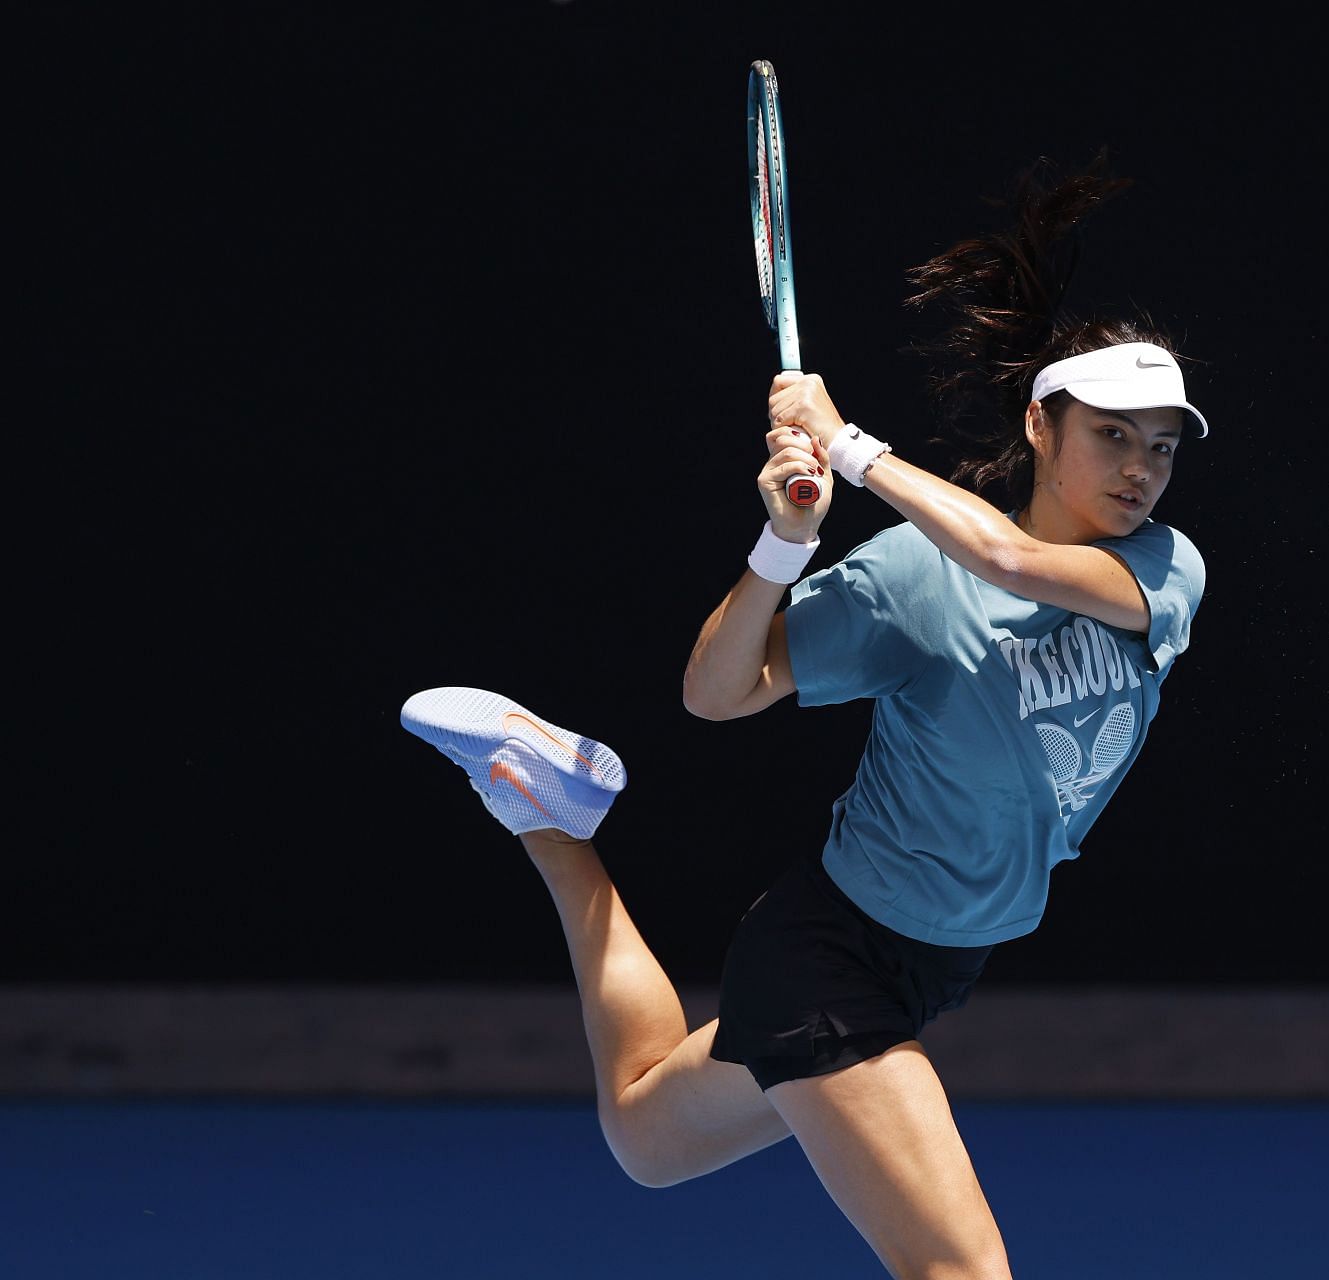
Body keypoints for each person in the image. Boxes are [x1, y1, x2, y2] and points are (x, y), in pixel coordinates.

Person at [401, 155, 1208, 1279]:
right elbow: (715, 691)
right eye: (1113, 434)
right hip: (839, 959)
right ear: (1041, 424)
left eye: (1161, 445)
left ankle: (549, 814)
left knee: (643, 1132)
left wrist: (854, 444)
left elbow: (1013, 555)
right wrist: (785, 542)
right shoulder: (910, 582)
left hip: (944, 957)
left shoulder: (1164, 570)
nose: (1141, 469)